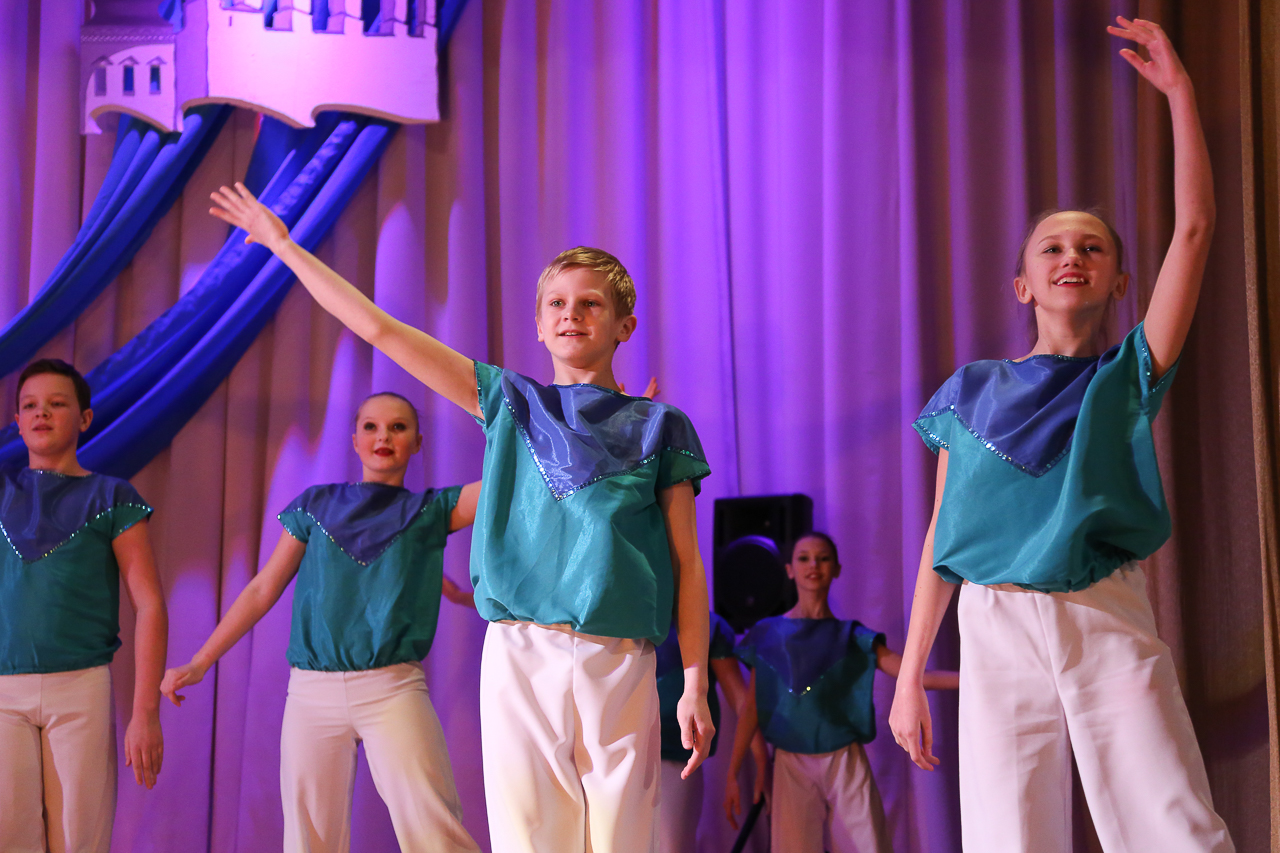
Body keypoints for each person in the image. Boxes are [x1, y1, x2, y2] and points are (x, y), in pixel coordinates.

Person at [207, 185, 717, 853]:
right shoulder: (511, 402)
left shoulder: (660, 426)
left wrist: (695, 681)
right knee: (529, 837)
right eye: (557, 303)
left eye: (591, 303)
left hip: (619, 652)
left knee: (622, 836)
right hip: (519, 649)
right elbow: (380, 329)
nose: (572, 314)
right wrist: (283, 245)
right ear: (538, 325)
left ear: (625, 325)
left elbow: (686, 562)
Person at [888, 17, 1235, 853]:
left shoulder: (1127, 374)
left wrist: (1181, 94)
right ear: (1022, 283)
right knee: (1008, 839)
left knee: (1173, 828)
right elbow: (942, 538)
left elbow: (1194, 230)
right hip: (995, 625)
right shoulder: (971, 391)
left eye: (1092, 247)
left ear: (1119, 281)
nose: (1071, 255)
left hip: (1103, 610)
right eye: (1052, 247)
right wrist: (909, 675)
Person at [161, 392, 481, 853]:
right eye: (371, 427)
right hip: (311, 694)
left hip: (393, 689)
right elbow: (262, 588)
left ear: (417, 443)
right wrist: (200, 661)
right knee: (308, 839)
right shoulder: (316, 505)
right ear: (354, 440)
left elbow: (504, 482)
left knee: (433, 827)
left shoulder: (431, 510)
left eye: (398, 427)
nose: (384, 436)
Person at [0, 358, 167, 853]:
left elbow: (150, 604)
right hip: (4, 690)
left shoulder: (111, 497)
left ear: (85, 418)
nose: (42, 413)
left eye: (57, 404)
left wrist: (145, 713)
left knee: (80, 840)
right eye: (30, 405)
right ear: (16, 421)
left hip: (79, 689)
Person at [724, 532, 957, 852]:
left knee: (866, 845)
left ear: (836, 568)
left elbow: (915, 675)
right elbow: (751, 706)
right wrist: (734, 771)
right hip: (791, 760)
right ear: (789, 569)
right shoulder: (767, 633)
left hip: (845, 759)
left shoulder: (852, 636)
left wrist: (977, 678)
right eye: (804, 558)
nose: (813, 565)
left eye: (823, 558)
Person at [656, 611, 768, 853]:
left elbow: (741, 702)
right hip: (618, 752)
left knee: (672, 846)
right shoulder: (624, 615)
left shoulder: (707, 625)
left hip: (675, 760)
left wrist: (761, 762)